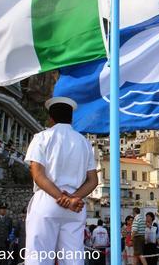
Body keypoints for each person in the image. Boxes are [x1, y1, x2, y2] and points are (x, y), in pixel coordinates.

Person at [24, 96, 98, 265]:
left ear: (51, 118)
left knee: (39, 258)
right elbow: (93, 180)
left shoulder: (41, 137)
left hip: (48, 200)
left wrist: (62, 198)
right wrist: (73, 198)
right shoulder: (85, 142)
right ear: (71, 118)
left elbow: (38, 175)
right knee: (73, 259)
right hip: (76, 205)